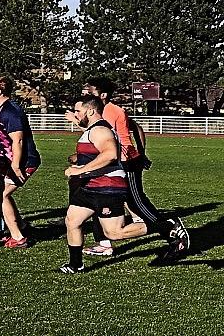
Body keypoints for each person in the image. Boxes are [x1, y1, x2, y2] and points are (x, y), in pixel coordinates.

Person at [60, 95, 190, 273]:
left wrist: (79, 170)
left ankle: (167, 225)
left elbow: (111, 154)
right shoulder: (91, 129)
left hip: (107, 187)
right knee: (72, 220)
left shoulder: (100, 130)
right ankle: (75, 265)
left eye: (78, 111)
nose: (75, 114)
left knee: (113, 233)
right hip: (90, 186)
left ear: (90, 111)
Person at [0, 76, 41, 248]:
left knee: (3, 194)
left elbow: (18, 140)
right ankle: (21, 226)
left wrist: (16, 166)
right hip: (7, 161)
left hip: (23, 161)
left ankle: (18, 237)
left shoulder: (10, 111)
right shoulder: (4, 109)